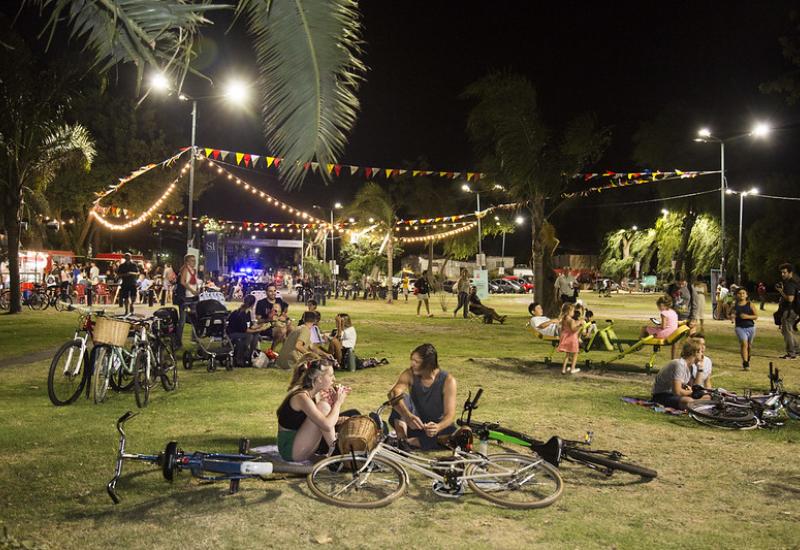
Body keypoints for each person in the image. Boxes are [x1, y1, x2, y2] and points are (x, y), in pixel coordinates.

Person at [276, 358, 350, 462]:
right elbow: (327, 425)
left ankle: (337, 451)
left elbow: (321, 423)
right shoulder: (301, 397)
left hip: (299, 442)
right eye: (330, 375)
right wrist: (338, 403)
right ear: (319, 378)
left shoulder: (313, 394)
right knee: (323, 407)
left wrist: (334, 405)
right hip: (290, 449)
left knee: (327, 408)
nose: (334, 379)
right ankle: (337, 452)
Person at [388, 344, 457, 450]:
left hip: (435, 429)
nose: (412, 364)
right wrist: (407, 416)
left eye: (417, 362)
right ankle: (402, 440)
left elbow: (450, 415)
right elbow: (393, 393)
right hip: (413, 424)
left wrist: (438, 427)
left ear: (429, 364)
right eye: (412, 360)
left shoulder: (448, 381)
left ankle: (411, 442)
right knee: (401, 399)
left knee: (451, 434)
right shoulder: (409, 374)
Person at [651, 339, 704, 410]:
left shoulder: (690, 367)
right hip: (661, 395)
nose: (702, 355)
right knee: (690, 402)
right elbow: (677, 391)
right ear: (696, 352)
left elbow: (695, 387)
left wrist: (700, 369)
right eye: (701, 352)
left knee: (707, 397)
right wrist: (692, 392)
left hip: (673, 395)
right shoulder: (679, 364)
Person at [227, 295, 265, 368]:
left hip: (241, 332)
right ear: (253, 304)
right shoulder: (240, 314)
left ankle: (250, 356)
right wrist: (260, 329)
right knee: (249, 336)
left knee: (256, 334)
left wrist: (261, 326)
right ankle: (240, 359)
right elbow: (246, 330)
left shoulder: (247, 313)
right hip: (232, 333)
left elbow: (250, 326)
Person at [255, 283, 291, 352]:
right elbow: (258, 320)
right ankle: (272, 350)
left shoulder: (279, 300)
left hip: (280, 324)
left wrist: (287, 319)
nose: (273, 293)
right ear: (266, 292)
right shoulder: (261, 303)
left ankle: (286, 352)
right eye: (270, 291)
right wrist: (269, 319)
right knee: (283, 331)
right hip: (267, 327)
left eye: (274, 291)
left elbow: (284, 313)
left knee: (292, 329)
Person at [729, 287, 758, 370]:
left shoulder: (750, 304)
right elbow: (729, 314)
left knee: (749, 346)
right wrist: (732, 316)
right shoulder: (735, 305)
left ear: (746, 295)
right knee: (744, 344)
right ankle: (745, 363)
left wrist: (747, 316)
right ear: (737, 295)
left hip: (751, 327)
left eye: (743, 293)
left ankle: (747, 357)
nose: (741, 295)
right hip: (739, 327)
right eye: (740, 293)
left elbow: (756, 316)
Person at [175, 254, 200, 348]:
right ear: (187, 262)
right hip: (185, 298)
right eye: (192, 260)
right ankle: (178, 342)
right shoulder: (185, 269)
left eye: (194, 260)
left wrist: (197, 289)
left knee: (195, 318)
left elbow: (195, 282)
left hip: (193, 297)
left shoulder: (194, 270)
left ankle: (194, 338)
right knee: (182, 321)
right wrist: (192, 290)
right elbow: (182, 282)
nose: (194, 262)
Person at [776, 263, 798, 359]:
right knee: (788, 331)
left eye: (784, 272)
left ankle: (791, 353)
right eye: (782, 272)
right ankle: (797, 349)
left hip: (789, 310)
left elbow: (790, 299)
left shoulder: (790, 283)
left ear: (790, 273)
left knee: (787, 331)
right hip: (795, 310)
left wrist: (780, 291)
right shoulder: (796, 281)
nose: (783, 274)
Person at [557, 302, 581, 375]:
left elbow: (562, 329)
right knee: (575, 353)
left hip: (565, 337)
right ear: (569, 311)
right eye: (573, 311)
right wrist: (580, 325)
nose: (573, 312)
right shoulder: (571, 320)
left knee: (567, 354)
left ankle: (563, 369)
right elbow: (573, 329)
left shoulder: (563, 319)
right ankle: (572, 368)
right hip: (572, 338)